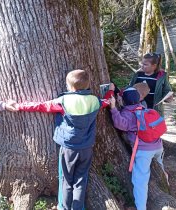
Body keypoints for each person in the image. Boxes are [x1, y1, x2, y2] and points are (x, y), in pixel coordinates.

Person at [15, 70, 112, 210]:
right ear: (88, 84)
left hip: (69, 148)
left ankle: (64, 207)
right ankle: (78, 207)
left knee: (66, 180)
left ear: (70, 86)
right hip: (86, 148)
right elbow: (106, 102)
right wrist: (110, 92)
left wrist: (20, 106)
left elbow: (42, 106)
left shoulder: (64, 101)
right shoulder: (95, 101)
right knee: (81, 179)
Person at [109, 87, 166, 210]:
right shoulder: (144, 108)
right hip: (158, 146)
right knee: (160, 167)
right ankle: (165, 183)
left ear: (123, 100)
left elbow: (120, 124)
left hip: (144, 151)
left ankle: (141, 207)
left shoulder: (128, 114)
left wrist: (113, 108)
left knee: (140, 180)